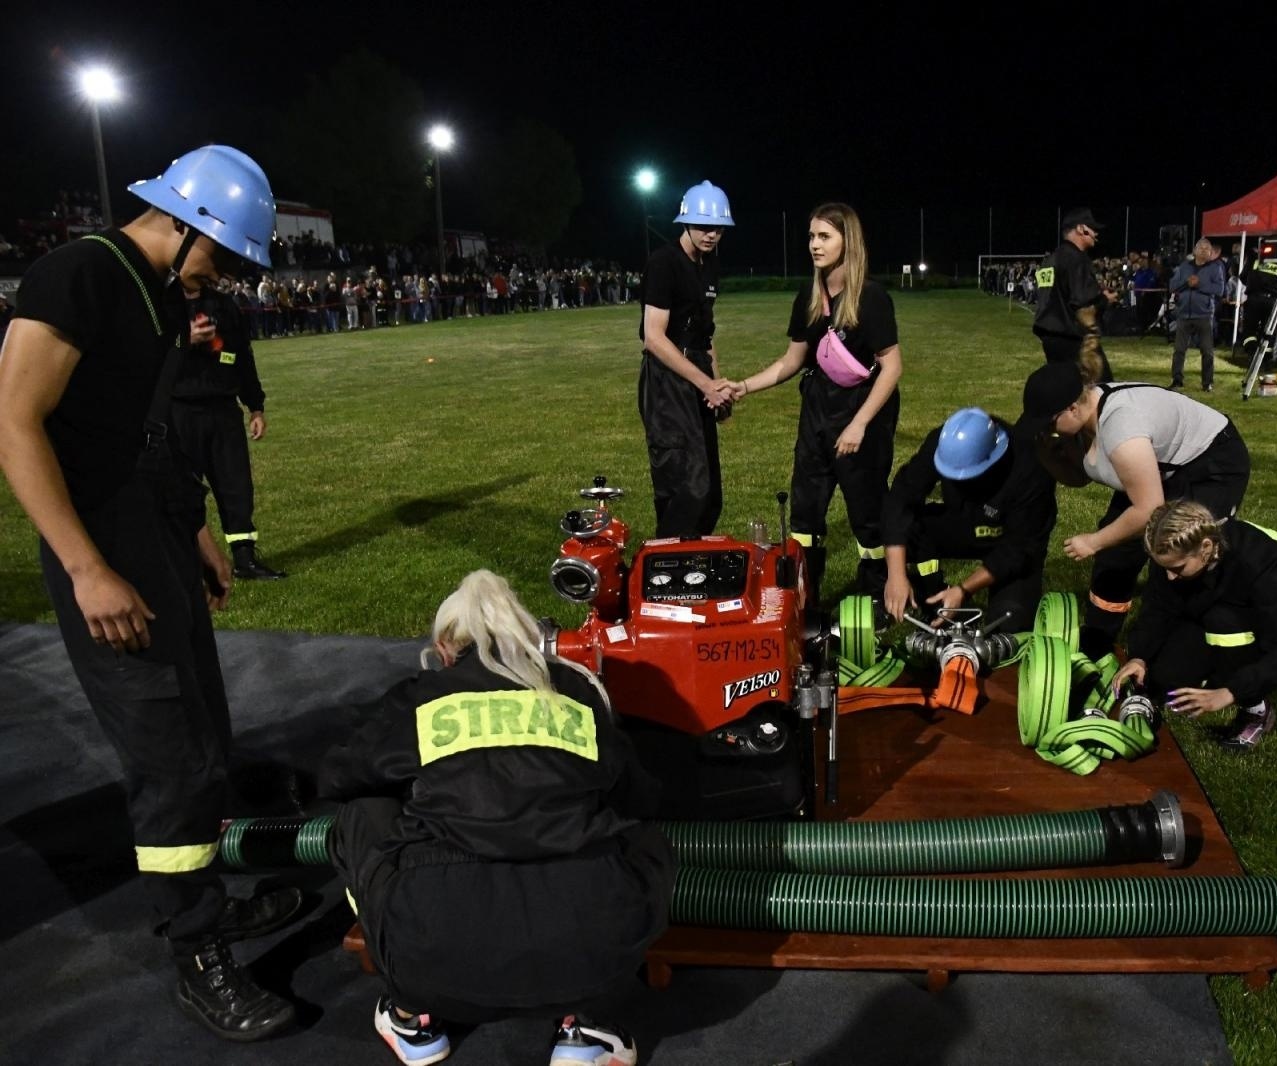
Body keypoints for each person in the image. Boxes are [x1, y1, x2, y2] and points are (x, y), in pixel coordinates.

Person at [0, 145, 302, 1040]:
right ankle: (196, 953)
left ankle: (210, 902)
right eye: (226, 255)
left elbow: (145, 433)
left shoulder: (164, 295)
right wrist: (86, 568)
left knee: (204, 730)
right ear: (183, 221)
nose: (228, 277)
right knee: (166, 749)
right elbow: (14, 425)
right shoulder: (78, 275)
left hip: (154, 527)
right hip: (97, 541)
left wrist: (195, 531)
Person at [318, 570, 671, 1066]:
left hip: (430, 958)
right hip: (593, 957)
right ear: (531, 641)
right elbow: (641, 795)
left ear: (444, 649)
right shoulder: (576, 691)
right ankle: (585, 1026)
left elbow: (339, 777)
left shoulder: (422, 696)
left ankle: (412, 1017)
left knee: (360, 814)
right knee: (640, 833)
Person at [720, 203, 902, 603]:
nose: (814, 245)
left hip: (861, 413)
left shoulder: (871, 297)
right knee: (805, 512)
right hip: (817, 411)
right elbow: (792, 361)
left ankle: (875, 594)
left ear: (847, 241)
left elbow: (892, 367)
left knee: (867, 512)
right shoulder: (809, 295)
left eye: (825, 237)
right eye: (811, 237)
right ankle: (805, 596)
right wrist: (744, 386)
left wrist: (859, 424)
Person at [1020, 361, 1250, 657]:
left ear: (1073, 409)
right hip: (1161, 472)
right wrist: (1049, 452)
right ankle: (1098, 641)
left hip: (1211, 463)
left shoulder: (1122, 428)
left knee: (1177, 555)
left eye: (1049, 424)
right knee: (1115, 556)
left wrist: (1094, 541)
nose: (1047, 431)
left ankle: (1182, 649)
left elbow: (1149, 510)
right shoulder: (1086, 420)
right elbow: (1081, 477)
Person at [1110, 501, 1277, 752]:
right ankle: (1217, 663)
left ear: (1206, 548)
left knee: (1222, 621)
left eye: (1177, 568)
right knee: (1167, 680)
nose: (1170, 576)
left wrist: (1231, 692)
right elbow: (1158, 607)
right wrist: (1139, 656)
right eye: (1165, 568)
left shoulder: (1260, 560)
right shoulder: (1173, 552)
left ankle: (1255, 709)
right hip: (1223, 601)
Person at [879, 408, 1057, 633]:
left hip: (1009, 541)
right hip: (964, 523)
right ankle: (927, 597)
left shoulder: (1032, 468)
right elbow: (901, 498)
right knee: (902, 530)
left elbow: (1019, 549)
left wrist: (964, 589)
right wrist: (896, 574)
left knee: (1008, 626)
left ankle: (964, 601)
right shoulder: (942, 445)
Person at [638, 180, 734, 538]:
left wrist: (717, 386)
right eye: (704, 226)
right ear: (686, 222)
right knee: (685, 485)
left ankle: (694, 559)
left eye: (718, 228)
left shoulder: (710, 265)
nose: (711, 234)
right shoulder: (663, 263)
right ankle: (664, 561)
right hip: (667, 380)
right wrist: (705, 383)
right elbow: (653, 337)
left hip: (698, 373)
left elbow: (705, 335)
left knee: (710, 495)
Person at [171, 285, 287, 580]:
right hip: (180, 411)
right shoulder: (161, 301)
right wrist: (185, 339)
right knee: (182, 490)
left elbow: (243, 356)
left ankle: (245, 559)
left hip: (224, 410)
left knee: (236, 486)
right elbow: (142, 354)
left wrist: (255, 406)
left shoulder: (224, 305)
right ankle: (188, 561)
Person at [1033, 207, 1114, 382]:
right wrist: (1105, 299)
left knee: (1065, 390)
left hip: (1050, 339)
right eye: (1093, 228)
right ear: (1081, 228)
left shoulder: (1049, 260)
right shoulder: (1076, 258)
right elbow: (1083, 303)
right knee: (1101, 387)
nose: (1096, 234)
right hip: (1073, 339)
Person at [1167, 238, 1227, 391]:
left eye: (1207, 249)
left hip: (1204, 315)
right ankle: (1177, 380)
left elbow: (1219, 290)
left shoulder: (1216, 268)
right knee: (1179, 350)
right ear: (1194, 251)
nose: (1204, 251)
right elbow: (1173, 286)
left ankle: (1207, 383)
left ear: (1211, 253)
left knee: (1207, 351)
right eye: (1201, 248)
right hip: (1184, 314)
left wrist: (1199, 285)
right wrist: (1187, 283)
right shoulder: (1184, 267)